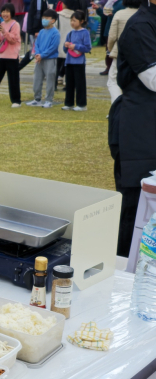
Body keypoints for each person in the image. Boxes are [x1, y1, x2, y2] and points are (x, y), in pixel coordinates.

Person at [108, 0, 156, 256]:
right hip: (138, 129)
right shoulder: (140, 25)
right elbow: (153, 78)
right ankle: (124, 269)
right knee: (136, 206)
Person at [106, 0, 139, 103]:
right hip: (139, 54)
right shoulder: (144, 15)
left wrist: (110, 49)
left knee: (113, 81)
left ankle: (116, 107)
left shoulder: (119, 14)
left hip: (120, 53)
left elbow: (112, 36)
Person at [26, 9, 59, 107]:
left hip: (50, 59)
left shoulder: (55, 33)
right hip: (39, 59)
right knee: (37, 79)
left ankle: (49, 100)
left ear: (53, 20)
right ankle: (37, 98)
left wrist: (42, 55)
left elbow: (53, 47)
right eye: (43, 18)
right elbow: (37, 44)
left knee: (50, 79)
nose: (44, 20)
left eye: (47, 18)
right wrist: (37, 54)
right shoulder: (41, 31)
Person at [61, 10, 91, 111]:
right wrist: (65, 45)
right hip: (69, 61)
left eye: (74, 20)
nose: (72, 22)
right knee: (69, 83)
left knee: (80, 84)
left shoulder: (85, 32)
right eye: (71, 20)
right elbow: (65, 50)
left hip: (79, 62)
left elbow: (87, 48)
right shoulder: (70, 33)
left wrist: (76, 46)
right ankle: (68, 103)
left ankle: (81, 104)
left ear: (81, 21)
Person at [56, 0, 76, 85]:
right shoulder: (76, 16)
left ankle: (54, 83)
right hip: (71, 45)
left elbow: (55, 29)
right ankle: (67, 83)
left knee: (57, 65)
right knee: (69, 66)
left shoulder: (58, 15)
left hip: (60, 44)